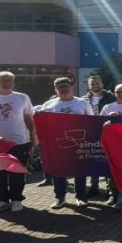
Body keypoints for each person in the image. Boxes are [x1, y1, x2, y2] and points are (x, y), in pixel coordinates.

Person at [0, 71, 36, 215]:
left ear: (14, 82)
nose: (7, 83)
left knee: (17, 172)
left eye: (10, 80)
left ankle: (16, 200)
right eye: (3, 80)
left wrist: (33, 142)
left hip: (19, 142)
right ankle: (1, 201)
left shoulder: (22, 97)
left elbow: (29, 121)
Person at [41, 77, 94, 209]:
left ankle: (81, 197)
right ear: (56, 89)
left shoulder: (82, 103)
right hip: (57, 144)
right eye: (60, 87)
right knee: (58, 171)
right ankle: (60, 197)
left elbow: (92, 121)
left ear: (72, 88)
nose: (63, 89)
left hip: (79, 143)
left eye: (66, 86)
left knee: (80, 170)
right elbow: (42, 124)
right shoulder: (49, 105)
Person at [83, 75, 115, 198]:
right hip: (91, 132)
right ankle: (94, 186)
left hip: (106, 131)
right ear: (88, 85)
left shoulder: (110, 97)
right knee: (92, 157)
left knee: (107, 158)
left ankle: (110, 188)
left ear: (102, 84)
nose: (95, 86)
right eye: (92, 84)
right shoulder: (84, 99)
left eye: (97, 83)